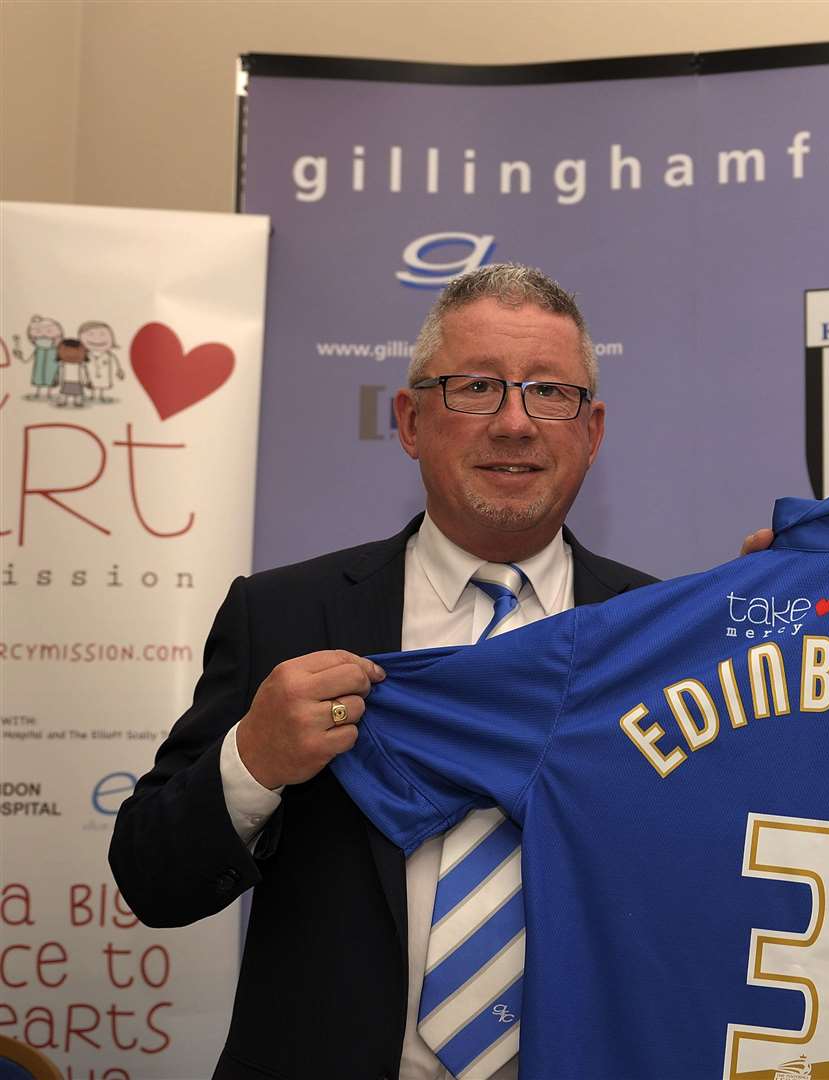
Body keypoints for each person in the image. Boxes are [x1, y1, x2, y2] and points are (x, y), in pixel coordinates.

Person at [110, 264, 655, 1080]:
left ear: (593, 429)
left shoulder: (660, 634)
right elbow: (154, 882)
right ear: (408, 419)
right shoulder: (285, 614)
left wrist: (825, 607)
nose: (514, 423)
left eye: (550, 392)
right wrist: (251, 761)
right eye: (475, 387)